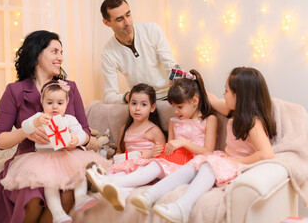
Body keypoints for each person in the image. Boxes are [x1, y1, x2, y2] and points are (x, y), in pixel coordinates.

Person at [130, 67, 276, 223]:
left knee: (208, 164)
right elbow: (209, 98)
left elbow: (267, 154)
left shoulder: (253, 122)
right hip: (226, 160)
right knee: (195, 163)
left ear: (240, 96)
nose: (223, 95)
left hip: (240, 163)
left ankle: (183, 207)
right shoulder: (234, 113)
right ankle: (151, 195)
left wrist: (233, 162)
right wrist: (190, 84)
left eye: (226, 91)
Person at [0, 30, 92, 223]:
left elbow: (86, 131)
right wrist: (25, 132)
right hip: (29, 164)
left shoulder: (69, 88)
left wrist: (75, 141)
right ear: (37, 53)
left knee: (66, 195)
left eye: (61, 53)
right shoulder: (14, 91)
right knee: (31, 200)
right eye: (55, 52)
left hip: (65, 159)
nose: (60, 58)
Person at [87, 71, 218, 212]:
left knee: (155, 165)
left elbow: (208, 151)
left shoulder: (209, 119)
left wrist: (183, 143)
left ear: (195, 101)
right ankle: (119, 189)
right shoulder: (174, 122)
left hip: (190, 165)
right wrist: (153, 152)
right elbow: (168, 149)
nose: (175, 111)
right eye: (174, 107)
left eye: (179, 107)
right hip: (173, 162)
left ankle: (111, 182)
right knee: (151, 164)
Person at [0, 80, 110, 223]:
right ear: (42, 102)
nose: (55, 107)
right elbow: (25, 127)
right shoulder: (40, 118)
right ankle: (58, 213)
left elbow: (82, 134)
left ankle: (81, 197)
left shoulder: (69, 119)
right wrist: (36, 122)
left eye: (59, 103)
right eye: (50, 103)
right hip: (44, 158)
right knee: (50, 185)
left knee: (79, 173)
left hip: (66, 155)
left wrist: (76, 140)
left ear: (66, 102)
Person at [86, 83, 166, 209]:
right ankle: (115, 192)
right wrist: (117, 158)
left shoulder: (154, 131)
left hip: (144, 167)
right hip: (127, 164)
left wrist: (150, 153)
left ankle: (107, 183)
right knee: (115, 172)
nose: (137, 108)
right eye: (134, 103)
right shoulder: (125, 129)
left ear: (152, 107)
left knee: (131, 176)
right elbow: (119, 151)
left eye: (143, 104)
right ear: (129, 105)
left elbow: (163, 158)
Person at [100, 0, 177, 104]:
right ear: (107, 23)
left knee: (206, 97)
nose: (127, 22)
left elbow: (171, 66)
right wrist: (130, 96)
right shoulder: (108, 53)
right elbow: (109, 96)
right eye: (120, 19)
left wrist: (178, 82)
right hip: (142, 104)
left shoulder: (152, 30)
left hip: (170, 96)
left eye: (128, 15)